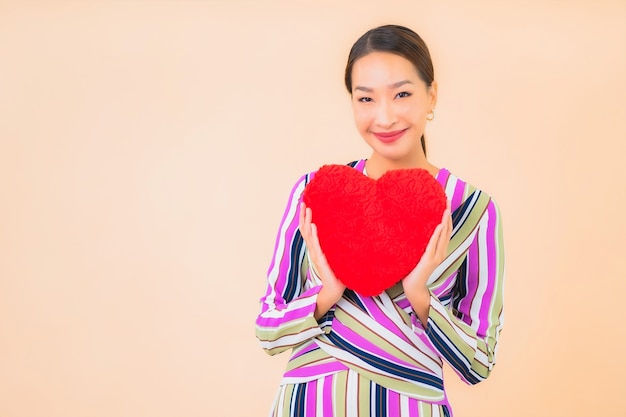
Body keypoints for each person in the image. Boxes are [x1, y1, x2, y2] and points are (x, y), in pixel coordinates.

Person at [255, 24, 505, 417]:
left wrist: (419, 295)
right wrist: (327, 293)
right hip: (308, 405)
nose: (384, 117)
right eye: (366, 98)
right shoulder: (317, 193)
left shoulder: (472, 209)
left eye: (402, 94)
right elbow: (269, 329)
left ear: (431, 95)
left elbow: (479, 363)